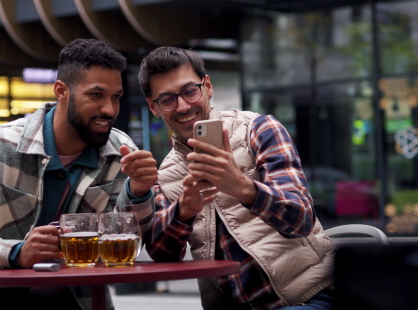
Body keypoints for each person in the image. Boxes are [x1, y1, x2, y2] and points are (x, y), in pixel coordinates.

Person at [0, 39, 157, 310]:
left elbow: (126, 244)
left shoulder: (121, 153)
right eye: (96, 95)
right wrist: (17, 253)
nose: (110, 110)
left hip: (77, 301)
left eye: (116, 97)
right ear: (61, 91)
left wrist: (140, 192)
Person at [138, 46, 335, 310]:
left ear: (207, 86)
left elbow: (300, 219)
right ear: (153, 107)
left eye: (189, 91)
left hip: (308, 295)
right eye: (167, 99)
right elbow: (163, 255)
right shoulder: (164, 175)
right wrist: (184, 211)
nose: (182, 106)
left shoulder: (259, 129)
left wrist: (243, 187)